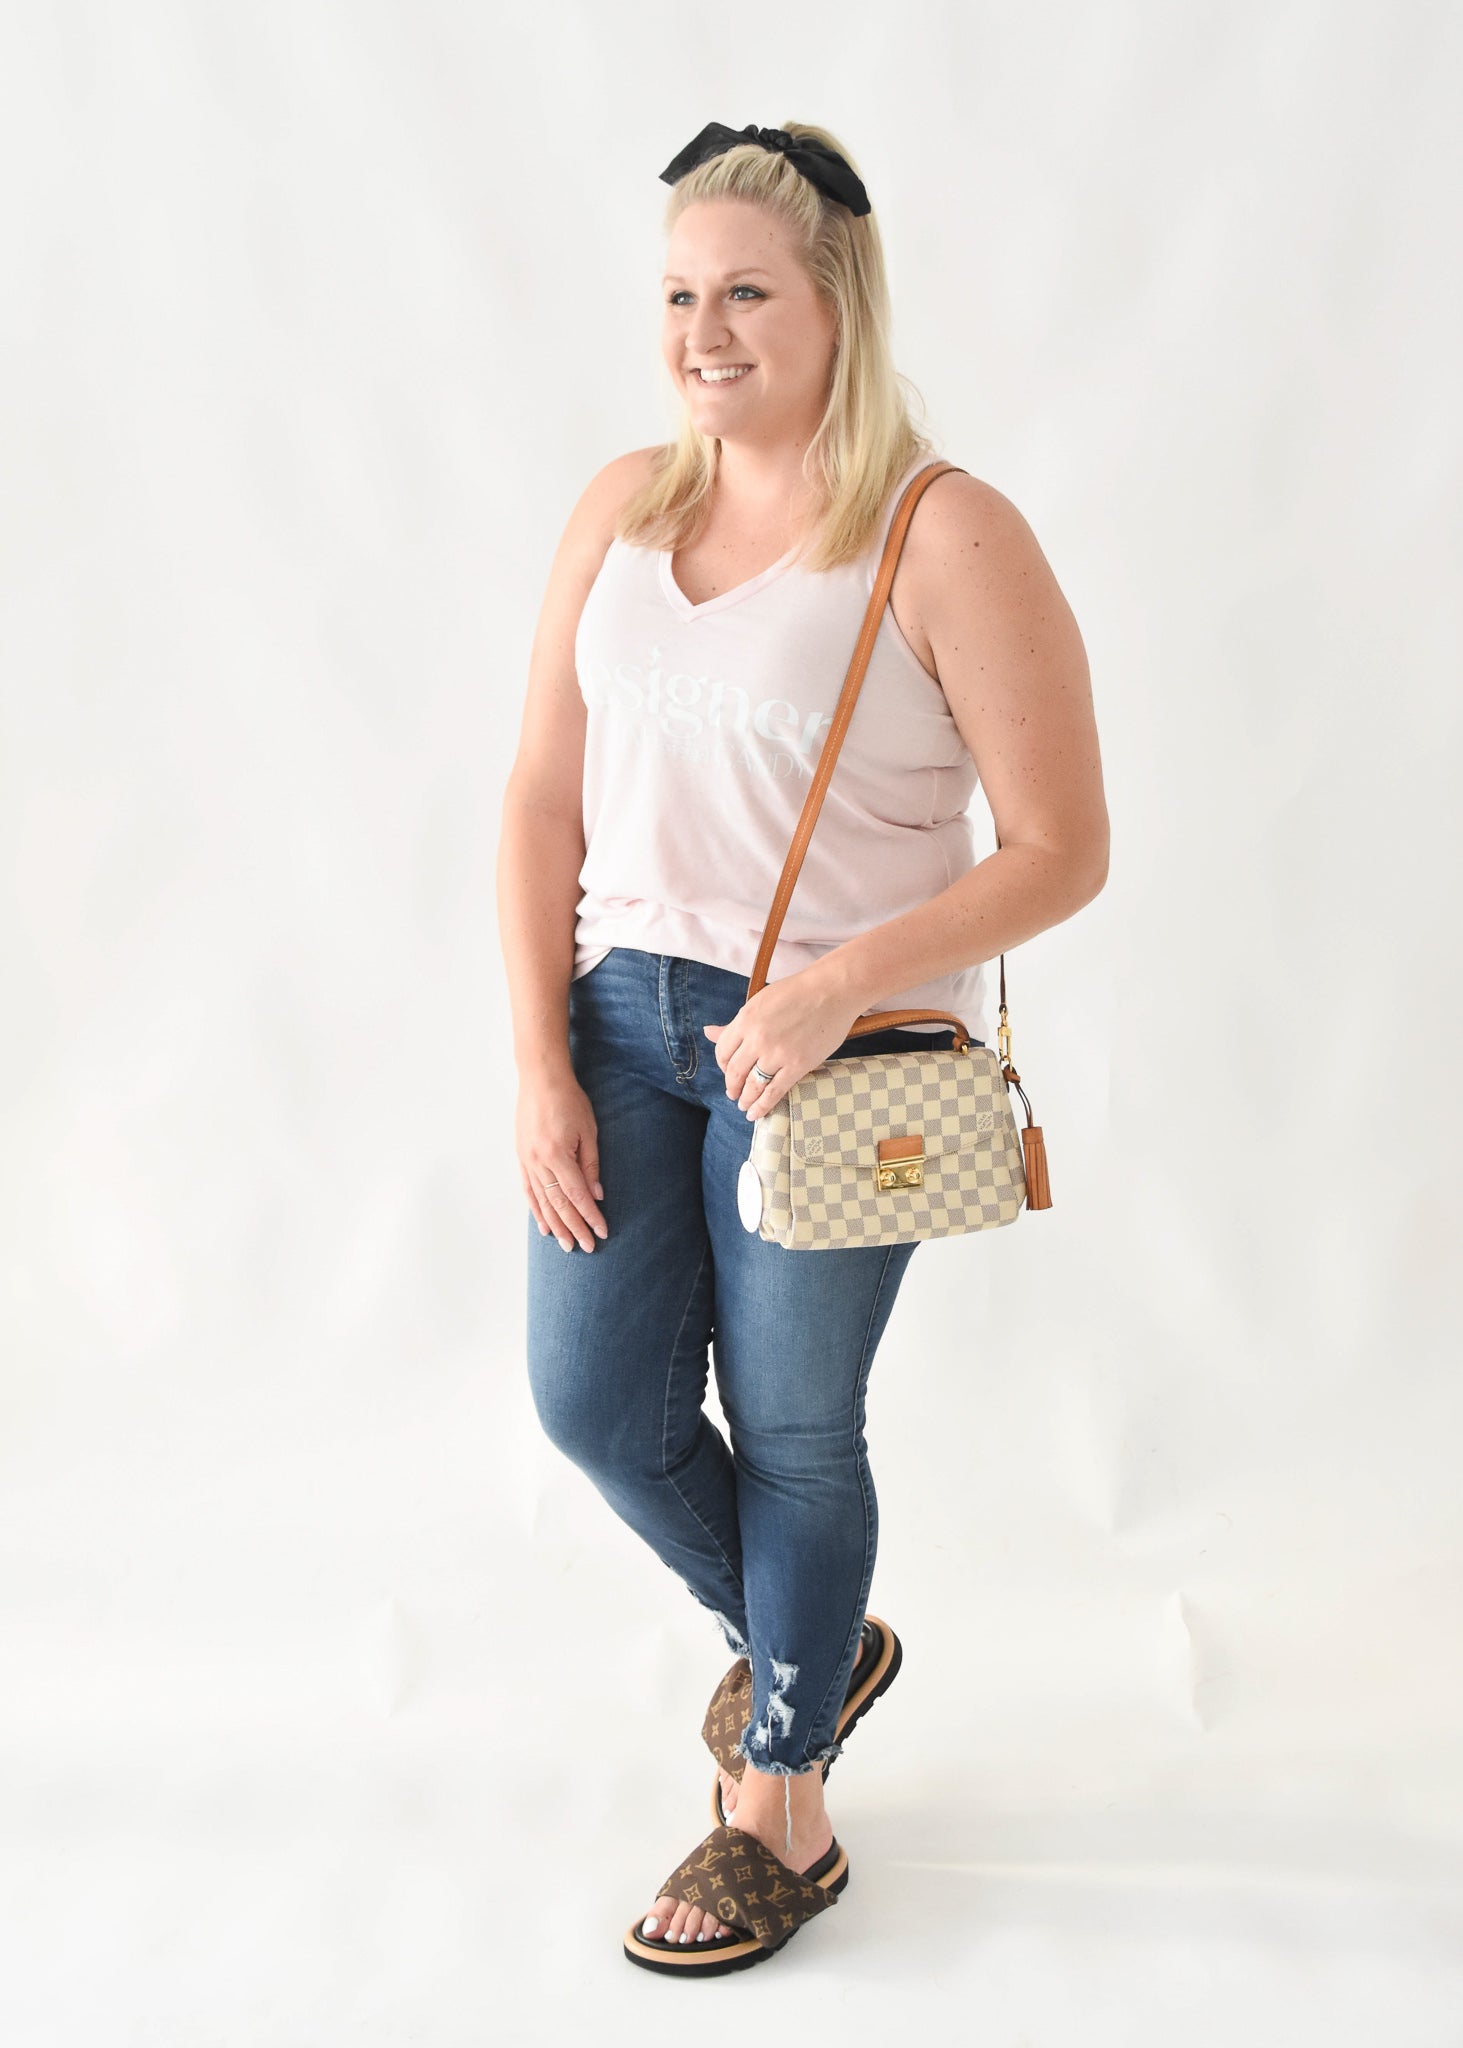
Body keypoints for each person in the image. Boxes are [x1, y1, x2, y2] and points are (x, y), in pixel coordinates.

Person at [497, 120, 1109, 1974]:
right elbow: (540, 799)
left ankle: (783, 1802)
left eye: (748, 293)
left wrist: (843, 982)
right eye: (681, 294)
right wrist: (537, 1061)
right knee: (593, 1408)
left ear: (839, 302)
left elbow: (1063, 848)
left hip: (838, 1064)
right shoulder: (622, 507)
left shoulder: (942, 531)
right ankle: (811, 1648)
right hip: (619, 1021)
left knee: (791, 1431)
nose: (704, 334)